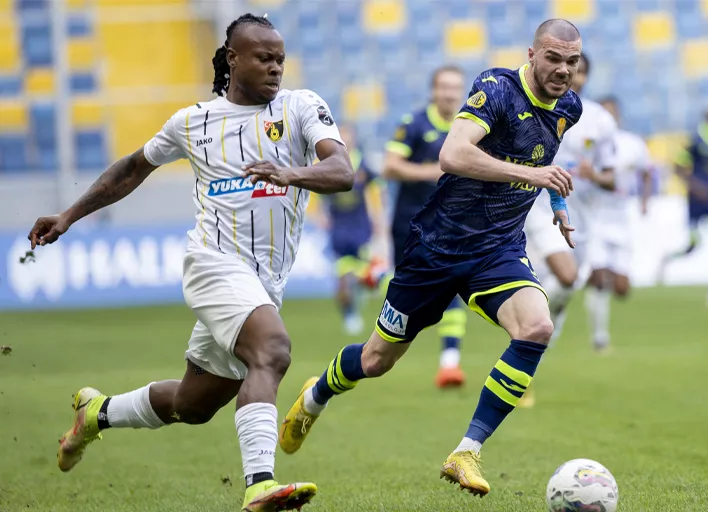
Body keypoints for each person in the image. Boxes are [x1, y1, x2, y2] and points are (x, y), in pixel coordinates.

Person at [28, 14, 353, 512]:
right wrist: (69, 215)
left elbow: (342, 171)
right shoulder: (193, 122)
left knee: (194, 404)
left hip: (264, 282)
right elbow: (132, 168)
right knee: (272, 350)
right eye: (264, 58)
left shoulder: (301, 107)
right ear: (232, 59)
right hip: (212, 264)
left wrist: (290, 173)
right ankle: (260, 485)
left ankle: (97, 413)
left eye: (280, 59)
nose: (275, 68)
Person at [278, 19, 582, 497]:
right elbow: (453, 155)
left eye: (572, 61)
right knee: (376, 360)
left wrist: (557, 201)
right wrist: (536, 176)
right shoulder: (497, 89)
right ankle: (316, 395)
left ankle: (467, 451)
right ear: (531, 54)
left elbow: (541, 161)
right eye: (554, 58)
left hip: (497, 249)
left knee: (537, 327)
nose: (563, 69)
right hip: (436, 249)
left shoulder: (568, 107)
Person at [381, 65, 469, 388]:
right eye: (444, 87)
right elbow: (389, 166)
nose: (449, 94)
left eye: (455, 88)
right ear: (434, 90)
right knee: (407, 296)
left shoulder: (468, 127)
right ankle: (379, 354)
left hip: (448, 224)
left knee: (453, 286)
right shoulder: (414, 124)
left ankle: (450, 362)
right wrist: (431, 172)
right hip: (409, 223)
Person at [523, 53, 617, 351]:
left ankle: (545, 328)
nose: (574, 77)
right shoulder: (536, 108)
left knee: (570, 282)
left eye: (580, 71)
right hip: (541, 206)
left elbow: (611, 178)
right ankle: (530, 328)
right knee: (567, 275)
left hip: (582, 214)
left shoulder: (600, 120)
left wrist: (595, 175)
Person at [581, 96, 653, 351]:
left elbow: (647, 172)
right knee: (600, 279)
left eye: (612, 112)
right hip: (595, 216)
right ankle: (599, 338)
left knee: (621, 289)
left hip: (621, 218)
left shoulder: (633, 144)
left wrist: (644, 201)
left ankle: (588, 279)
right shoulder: (588, 144)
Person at [659, 109, 708, 312]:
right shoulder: (697, 139)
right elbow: (678, 167)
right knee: (693, 245)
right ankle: (668, 259)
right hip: (696, 200)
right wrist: (695, 186)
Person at [322, 125, 384, 335]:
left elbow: (375, 191)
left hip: (360, 229)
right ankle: (349, 313)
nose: (345, 141)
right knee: (341, 278)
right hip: (339, 230)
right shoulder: (327, 164)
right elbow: (313, 193)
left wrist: (378, 218)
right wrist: (319, 217)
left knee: (361, 274)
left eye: (348, 136)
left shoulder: (363, 165)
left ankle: (363, 285)